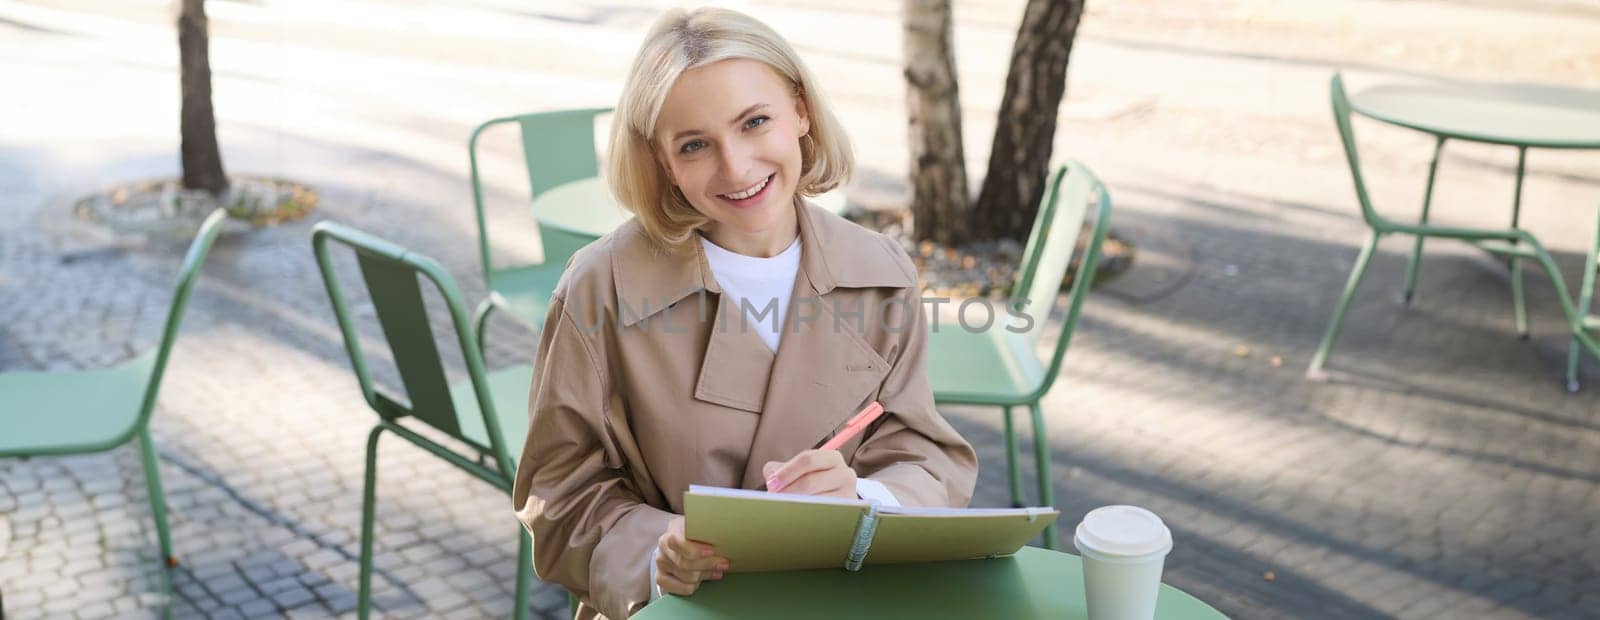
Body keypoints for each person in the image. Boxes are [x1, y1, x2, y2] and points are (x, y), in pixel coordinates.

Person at [511, 7, 978, 619]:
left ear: (801, 111)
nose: (735, 167)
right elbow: (559, 495)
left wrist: (864, 495)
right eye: (695, 145)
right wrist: (656, 550)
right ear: (661, 160)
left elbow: (923, 449)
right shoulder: (599, 288)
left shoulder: (880, 271)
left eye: (755, 122)